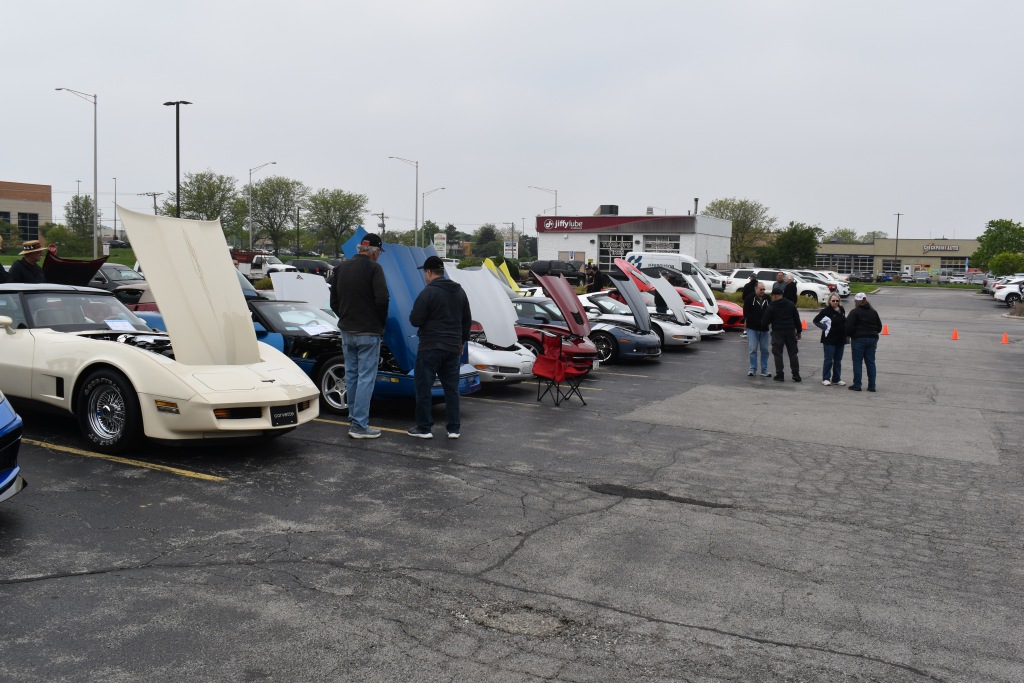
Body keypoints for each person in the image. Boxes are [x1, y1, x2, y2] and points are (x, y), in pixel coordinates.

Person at [329, 233, 389, 439]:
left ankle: (354, 420)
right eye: (379, 252)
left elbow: (333, 302)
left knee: (352, 376)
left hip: (347, 330)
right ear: (374, 251)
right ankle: (359, 425)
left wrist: (345, 316)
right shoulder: (374, 269)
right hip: (369, 331)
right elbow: (382, 299)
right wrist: (380, 322)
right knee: (366, 378)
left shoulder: (341, 268)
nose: (379, 256)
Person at [407, 255, 471, 440]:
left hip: (430, 347)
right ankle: (454, 429)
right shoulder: (460, 291)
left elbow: (415, 320)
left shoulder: (427, 292)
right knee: (452, 389)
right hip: (453, 347)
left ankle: (424, 428)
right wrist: (461, 342)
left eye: (424, 273)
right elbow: (466, 321)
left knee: (424, 387)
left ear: (428, 272)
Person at [762, 282, 802, 382]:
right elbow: (797, 319)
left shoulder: (772, 306)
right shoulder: (791, 304)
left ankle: (780, 375)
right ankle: (796, 374)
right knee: (793, 353)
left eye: (772, 295)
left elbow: (765, 321)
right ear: (782, 294)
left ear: (775, 295)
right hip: (790, 331)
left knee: (778, 353)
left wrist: (765, 325)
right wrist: (799, 331)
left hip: (778, 332)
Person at [845, 292, 883, 392]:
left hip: (858, 339)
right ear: (866, 300)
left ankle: (857, 385)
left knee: (857, 362)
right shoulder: (873, 312)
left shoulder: (854, 312)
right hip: (872, 338)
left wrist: (850, 334)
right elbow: (879, 327)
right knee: (870, 362)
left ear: (856, 301)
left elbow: (848, 327)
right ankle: (872, 386)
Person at [812, 294, 847, 386]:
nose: (835, 302)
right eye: (833, 301)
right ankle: (826, 378)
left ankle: (836, 379)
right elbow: (816, 320)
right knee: (828, 359)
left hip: (840, 339)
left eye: (837, 301)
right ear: (829, 301)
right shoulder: (826, 311)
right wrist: (825, 327)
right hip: (829, 339)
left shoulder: (842, 309)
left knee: (838, 360)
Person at [743, 281, 772, 377]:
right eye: (761, 289)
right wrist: (754, 321)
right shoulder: (749, 298)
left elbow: (771, 311)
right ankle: (752, 369)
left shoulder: (768, 299)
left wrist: (768, 321)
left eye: (764, 289)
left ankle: (764, 370)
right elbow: (746, 313)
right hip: (752, 328)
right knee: (753, 349)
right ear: (756, 289)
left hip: (765, 329)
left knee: (765, 350)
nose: (763, 291)